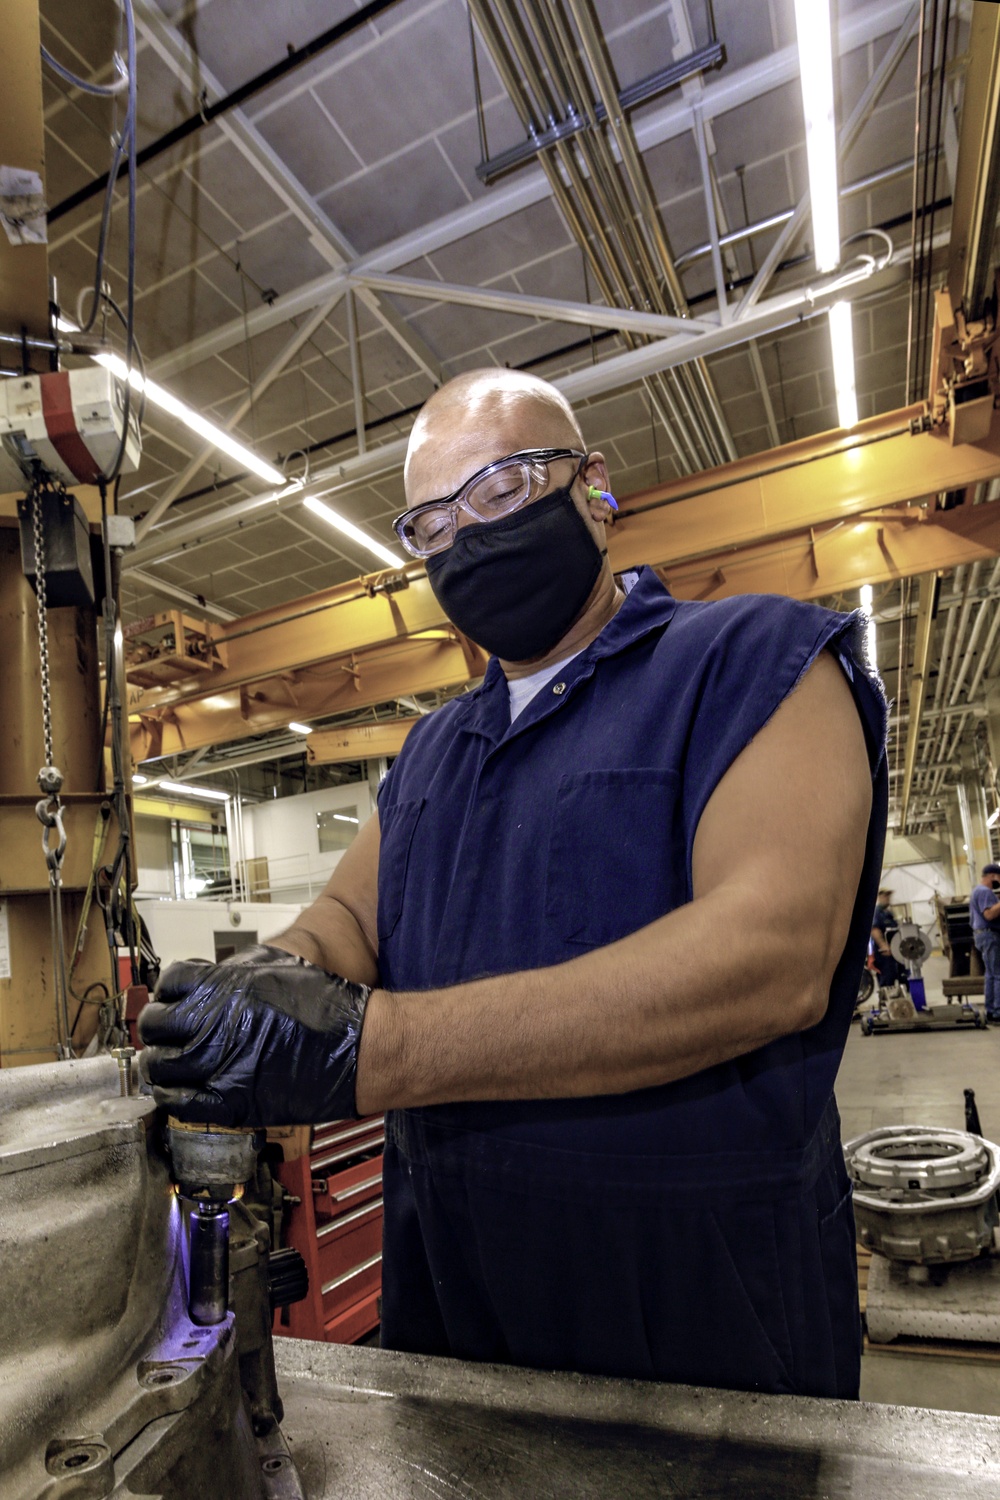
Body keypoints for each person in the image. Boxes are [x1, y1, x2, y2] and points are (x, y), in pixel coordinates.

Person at [140, 369, 887, 1402]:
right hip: (457, 1307)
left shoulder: (751, 660)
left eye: (501, 490)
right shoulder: (436, 747)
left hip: (706, 1319)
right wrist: (265, 987)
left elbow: (774, 953)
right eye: (433, 525)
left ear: (594, 487)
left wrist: (373, 1049)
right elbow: (352, 914)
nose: (470, 538)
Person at [970, 864, 1000, 1021]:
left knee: (991, 974)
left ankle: (991, 1009)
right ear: (993, 876)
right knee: (997, 974)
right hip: (990, 936)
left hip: (983, 936)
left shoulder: (977, 891)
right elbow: (988, 914)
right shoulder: (984, 892)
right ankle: (997, 1011)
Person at [871, 887, 900, 988]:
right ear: (880, 897)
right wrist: (883, 945)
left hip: (893, 952)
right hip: (883, 954)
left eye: (889, 896)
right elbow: (874, 930)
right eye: (885, 896)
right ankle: (885, 996)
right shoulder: (877, 912)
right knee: (886, 979)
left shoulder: (888, 913)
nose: (888, 898)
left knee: (893, 977)